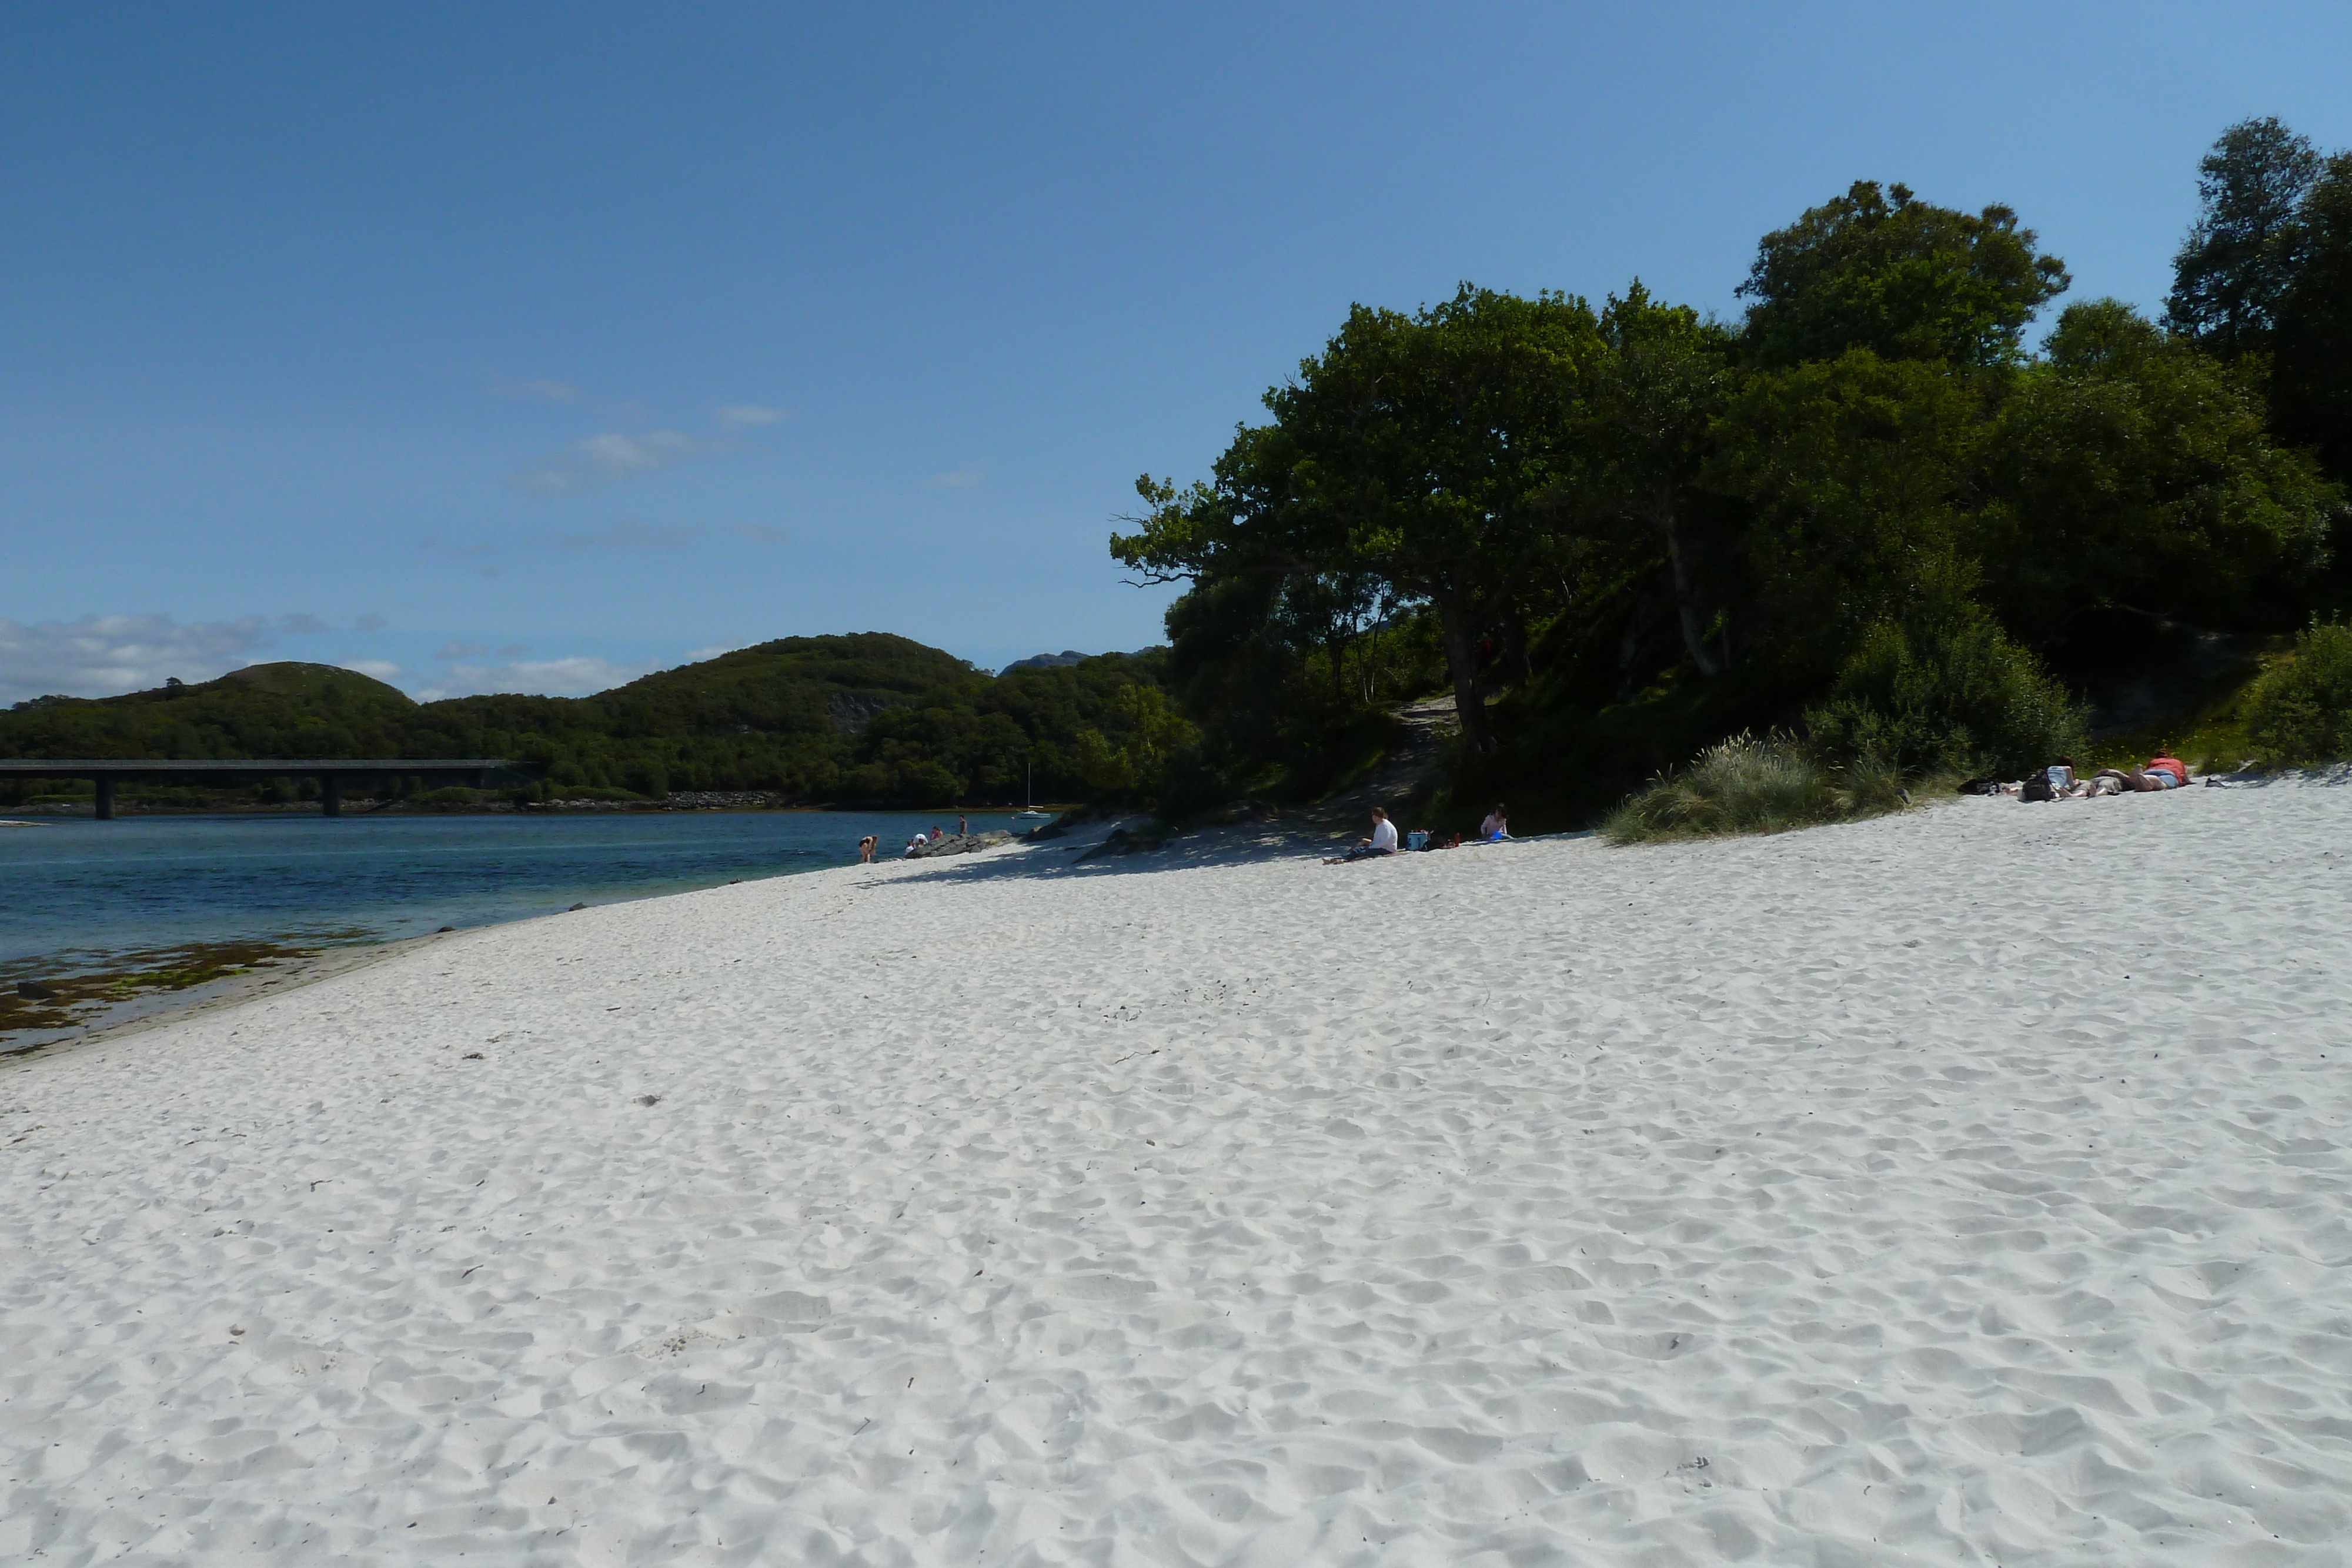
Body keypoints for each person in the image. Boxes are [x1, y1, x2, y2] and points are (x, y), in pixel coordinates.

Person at [1327, 806, 1399, 864]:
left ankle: (1342, 859)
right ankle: (1341, 858)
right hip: (1380, 846)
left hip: (1387, 849)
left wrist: (1371, 846)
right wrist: (1371, 845)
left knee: (1360, 852)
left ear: (1379, 817)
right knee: (1358, 848)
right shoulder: (1380, 825)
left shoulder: (1385, 826)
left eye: (1374, 817)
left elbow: (1384, 842)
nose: (1373, 819)